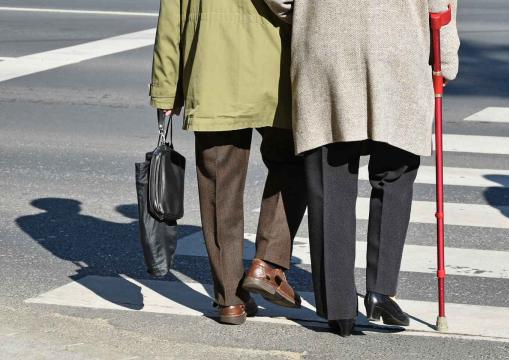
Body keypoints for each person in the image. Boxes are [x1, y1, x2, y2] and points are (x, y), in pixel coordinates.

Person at [263, 0, 460, 336]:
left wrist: (306, 13)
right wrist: (445, 58)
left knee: (330, 177)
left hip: (326, 44)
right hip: (397, 45)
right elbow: (441, 6)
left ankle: (339, 307)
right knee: (395, 172)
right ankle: (381, 290)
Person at [150, 0, 306, 326]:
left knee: (220, 186)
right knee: (294, 163)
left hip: (210, 73)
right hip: (273, 69)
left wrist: (166, 91)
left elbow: (170, 21)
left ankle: (229, 301)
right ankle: (267, 263)